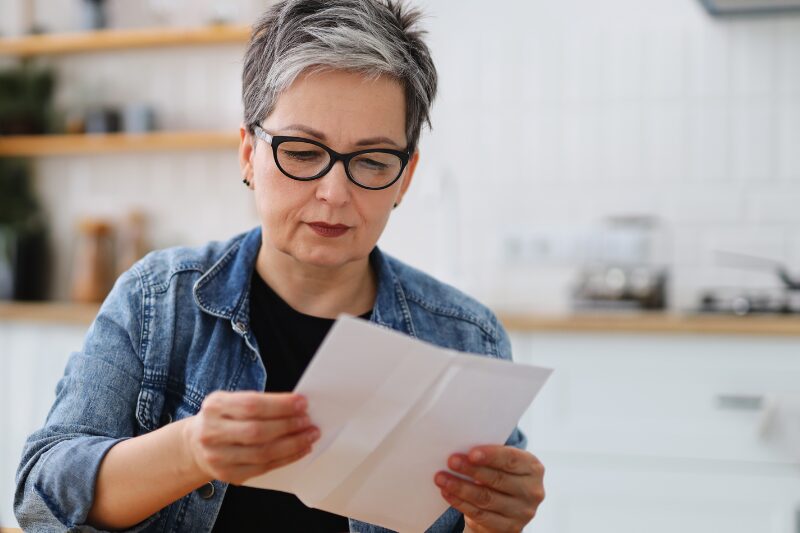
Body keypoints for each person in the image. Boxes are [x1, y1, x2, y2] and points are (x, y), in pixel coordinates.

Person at [14, 0, 545, 531]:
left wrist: (492, 523)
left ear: (405, 177)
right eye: (302, 151)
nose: (335, 193)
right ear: (249, 153)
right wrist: (190, 450)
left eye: (373, 161)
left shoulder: (465, 337)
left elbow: (484, 513)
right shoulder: (158, 301)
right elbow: (41, 496)